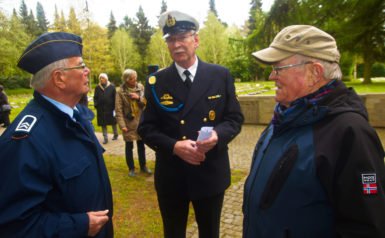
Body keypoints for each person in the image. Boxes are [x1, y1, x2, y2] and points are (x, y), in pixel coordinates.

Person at [242, 25, 385, 238]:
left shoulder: (351, 133)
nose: (272, 76)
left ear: (314, 72)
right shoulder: (284, 117)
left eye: (279, 68)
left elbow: (366, 226)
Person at [138, 10, 244, 238]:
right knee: (173, 233)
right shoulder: (156, 82)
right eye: (170, 39)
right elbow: (146, 129)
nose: (176, 44)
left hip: (210, 172)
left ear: (196, 40)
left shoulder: (220, 75)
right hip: (172, 175)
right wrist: (174, 146)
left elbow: (234, 119)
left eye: (182, 37)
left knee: (210, 233)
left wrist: (217, 136)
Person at [0, 32, 113, 237]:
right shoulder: (25, 141)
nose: (87, 70)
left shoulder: (76, 116)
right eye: (80, 65)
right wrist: (78, 225)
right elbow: (14, 225)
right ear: (59, 78)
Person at [115, 69, 151, 177]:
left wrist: (138, 97)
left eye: (135, 77)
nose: (134, 80)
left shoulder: (141, 87)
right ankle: (131, 168)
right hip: (128, 123)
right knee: (129, 146)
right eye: (132, 78)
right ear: (126, 80)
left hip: (140, 121)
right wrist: (122, 125)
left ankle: (143, 166)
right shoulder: (120, 91)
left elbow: (146, 103)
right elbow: (118, 109)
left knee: (141, 145)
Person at [94, 73, 118, 144]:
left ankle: (115, 134)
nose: (101, 79)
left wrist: (115, 107)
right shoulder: (97, 87)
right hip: (101, 109)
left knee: (113, 122)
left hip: (110, 108)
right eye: (100, 78)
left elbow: (115, 98)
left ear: (106, 79)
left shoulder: (112, 87)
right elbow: (95, 97)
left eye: (103, 78)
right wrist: (96, 105)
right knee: (103, 123)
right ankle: (105, 138)